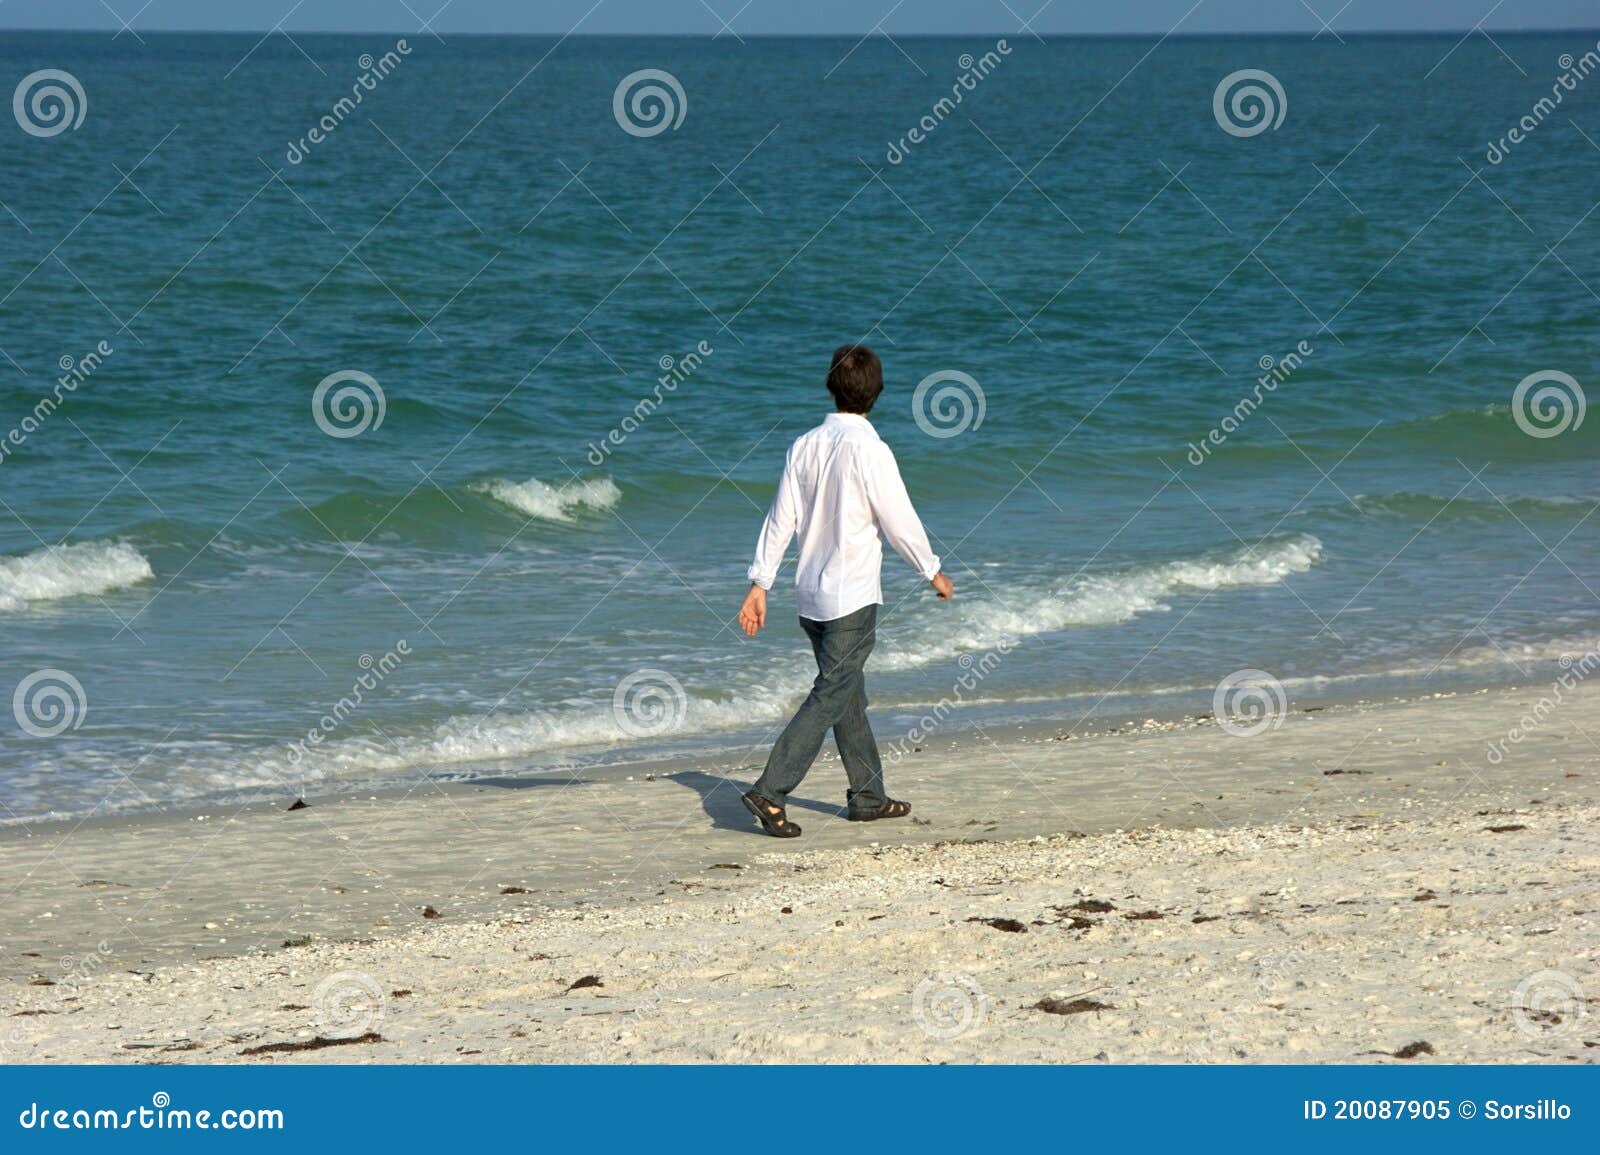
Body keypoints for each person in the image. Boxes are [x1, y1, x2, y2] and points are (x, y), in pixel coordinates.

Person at [736, 344, 953, 837]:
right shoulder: (871, 451)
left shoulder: (804, 445)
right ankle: (770, 792)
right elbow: (899, 521)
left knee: (846, 693)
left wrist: (759, 584)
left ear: (831, 387)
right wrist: (933, 571)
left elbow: (779, 520)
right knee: (832, 692)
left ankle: (868, 795)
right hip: (850, 598)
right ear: (876, 394)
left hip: (809, 599)